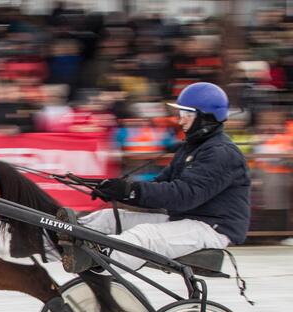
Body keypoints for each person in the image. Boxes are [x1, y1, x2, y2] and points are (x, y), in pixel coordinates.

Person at [58, 82, 251, 273]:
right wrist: (120, 192)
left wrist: (131, 192)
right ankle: (52, 242)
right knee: (106, 218)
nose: (181, 120)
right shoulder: (192, 148)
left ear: (206, 118)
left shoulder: (220, 153)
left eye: (187, 115)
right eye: (180, 114)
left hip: (212, 228)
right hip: (184, 218)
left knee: (144, 236)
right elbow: (161, 185)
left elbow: (184, 196)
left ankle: (92, 256)